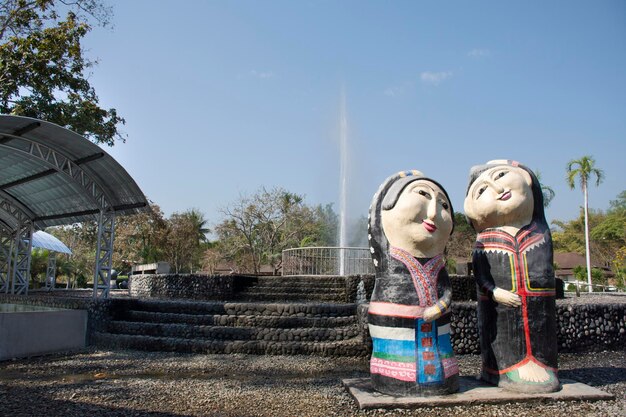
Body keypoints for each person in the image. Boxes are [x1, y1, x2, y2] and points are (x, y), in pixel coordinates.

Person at [464, 160, 560, 393]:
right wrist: (495, 292)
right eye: (482, 190)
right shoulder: (484, 241)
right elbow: (481, 276)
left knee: (541, 334)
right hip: (499, 304)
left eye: (501, 176)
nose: (497, 189)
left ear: (527, 180)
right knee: (503, 335)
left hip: (539, 304)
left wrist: (516, 164)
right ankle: (500, 370)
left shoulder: (539, 231)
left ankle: (543, 365)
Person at [367, 170, 459, 396]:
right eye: (422, 194)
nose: (433, 213)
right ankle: (394, 375)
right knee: (399, 358)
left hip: (437, 332)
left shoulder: (439, 266)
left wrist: (439, 307)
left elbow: (446, 291)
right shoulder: (390, 264)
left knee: (440, 354)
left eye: (444, 206)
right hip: (396, 333)